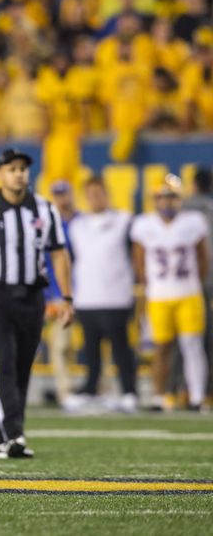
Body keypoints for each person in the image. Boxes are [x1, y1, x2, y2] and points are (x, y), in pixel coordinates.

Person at [0, 149, 74, 459]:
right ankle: (14, 435)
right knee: (5, 362)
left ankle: (3, 437)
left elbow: (58, 253)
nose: (19, 173)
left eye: (23, 168)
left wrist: (66, 297)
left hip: (33, 296)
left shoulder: (45, 209)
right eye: (12, 168)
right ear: (0, 174)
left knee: (22, 366)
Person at [131, 175, 209, 411]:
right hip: (159, 295)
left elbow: (203, 258)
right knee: (161, 347)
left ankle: (196, 397)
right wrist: (148, 285)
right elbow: (139, 260)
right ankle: (159, 397)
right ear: (155, 200)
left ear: (179, 199)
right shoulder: (144, 224)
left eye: (171, 197)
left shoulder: (193, 221)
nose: (166, 203)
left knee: (192, 346)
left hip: (188, 293)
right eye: (162, 198)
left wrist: (196, 281)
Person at [70, 177, 138, 412]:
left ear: (107, 194)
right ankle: (91, 389)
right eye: (90, 193)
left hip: (116, 295)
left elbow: (136, 254)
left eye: (99, 193)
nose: (95, 198)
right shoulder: (77, 225)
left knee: (121, 348)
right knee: (91, 350)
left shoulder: (123, 220)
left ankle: (129, 391)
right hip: (87, 296)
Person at [43, 181, 78, 410]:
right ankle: (65, 391)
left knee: (73, 346)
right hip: (53, 294)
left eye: (64, 194)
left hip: (84, 293)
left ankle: (86, 390)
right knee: (59, 346)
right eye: (57, 194)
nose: (61, 198)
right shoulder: (46, 225)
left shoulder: (82, 223)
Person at [182, 167, 213, 401]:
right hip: (206, 280)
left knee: (183, 342)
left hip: (184, 284)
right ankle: (205, 390)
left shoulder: (182, 210)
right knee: (204, 339)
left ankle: (181, 390)